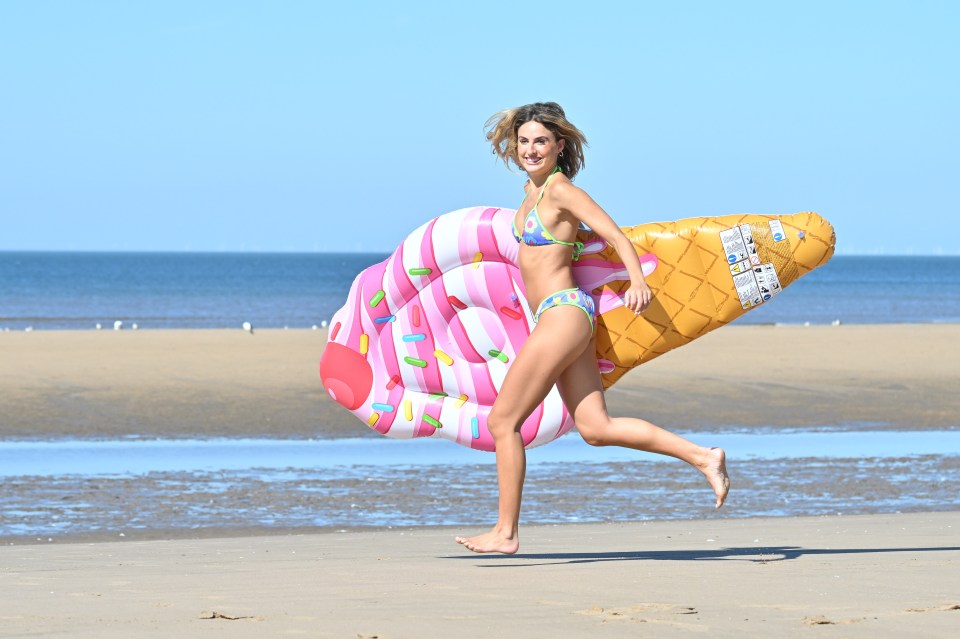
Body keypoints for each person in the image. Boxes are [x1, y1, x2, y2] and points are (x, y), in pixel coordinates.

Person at [455, 102, 730, 554]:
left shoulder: (562, 191)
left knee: (503, 421)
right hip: (559, 316)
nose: (530, 149)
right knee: (595, 428)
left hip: (564, 313)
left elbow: (616, 235)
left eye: (540, 141)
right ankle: (703, 456)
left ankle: (505, 532)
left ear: (559, 145)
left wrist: (637, 281)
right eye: (524, 141)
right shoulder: (531, 192)